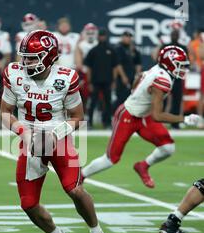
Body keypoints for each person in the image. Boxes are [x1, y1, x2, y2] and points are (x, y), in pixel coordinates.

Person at [0, 30, 113, 233]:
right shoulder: (14, 74)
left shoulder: (65, 78)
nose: (26, 62)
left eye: (32, 57)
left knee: (75, 190)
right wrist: (25, 132)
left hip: (59, 140)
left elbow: (78, 117)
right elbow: (4, 113)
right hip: (30, 141)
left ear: (49, 56)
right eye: (25, 57)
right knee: (28, 204)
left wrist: (54, 134)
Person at [82, 46, 200, 188]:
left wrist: (136, 92)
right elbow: (157, 116)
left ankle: (142, 166)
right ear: (170, 63)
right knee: (111, 159)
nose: (182, 70)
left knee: (168, 147)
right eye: (179, 66)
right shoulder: (163, 79)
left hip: (144, 116)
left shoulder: (159, 69)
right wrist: (184, 119)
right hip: (128, 116)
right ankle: (80, 176)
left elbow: (139, 76)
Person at [84, 28, 118, 128]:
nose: (102, 37)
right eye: (100, 35)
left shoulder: (111, 50)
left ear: (106, 36)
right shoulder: (93, 51)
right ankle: (89, 122)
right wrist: (89, 82)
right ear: (98, 37)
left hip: (108, 81)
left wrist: (114, 81)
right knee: (93, 102)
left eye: (103, 35)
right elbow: (89, 68)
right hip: (95, 81)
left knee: (108, 103)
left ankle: (107, 123)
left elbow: (115, 67)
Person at [114, 30, 142, 111]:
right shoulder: (119, 48)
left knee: (131, 98)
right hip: (121, 78)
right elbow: (118, 64)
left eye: (129, 37)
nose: (128, 38)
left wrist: (137, 75)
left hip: (132, 77)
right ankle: (116, 115)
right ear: (122, 37)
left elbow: (138, 63)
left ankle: (128, 116)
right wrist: (123, 76)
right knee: (120, 98)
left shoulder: (133, 50)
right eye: (126, 36)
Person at [75, 23, 98, 111]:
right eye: (88, 33)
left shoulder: (98, 44)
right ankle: (82, 115)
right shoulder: (81, 45)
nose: (90, 35)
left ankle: (95, 117)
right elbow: (78, 62)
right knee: (82, 96)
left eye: (92, 33)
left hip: (96, 73)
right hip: (83, 73)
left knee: (97, 96)